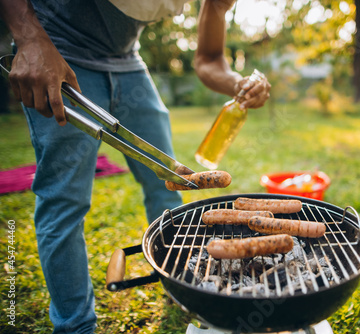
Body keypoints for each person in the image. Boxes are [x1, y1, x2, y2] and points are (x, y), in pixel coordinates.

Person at [0, 0, 271, 332]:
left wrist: (239, 85)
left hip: (128, 62)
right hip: (57, 49)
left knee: (168, 183)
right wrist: (29, 39)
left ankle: (180, 286)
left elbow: (209, 60)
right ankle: (76, 327)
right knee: (64, 200)